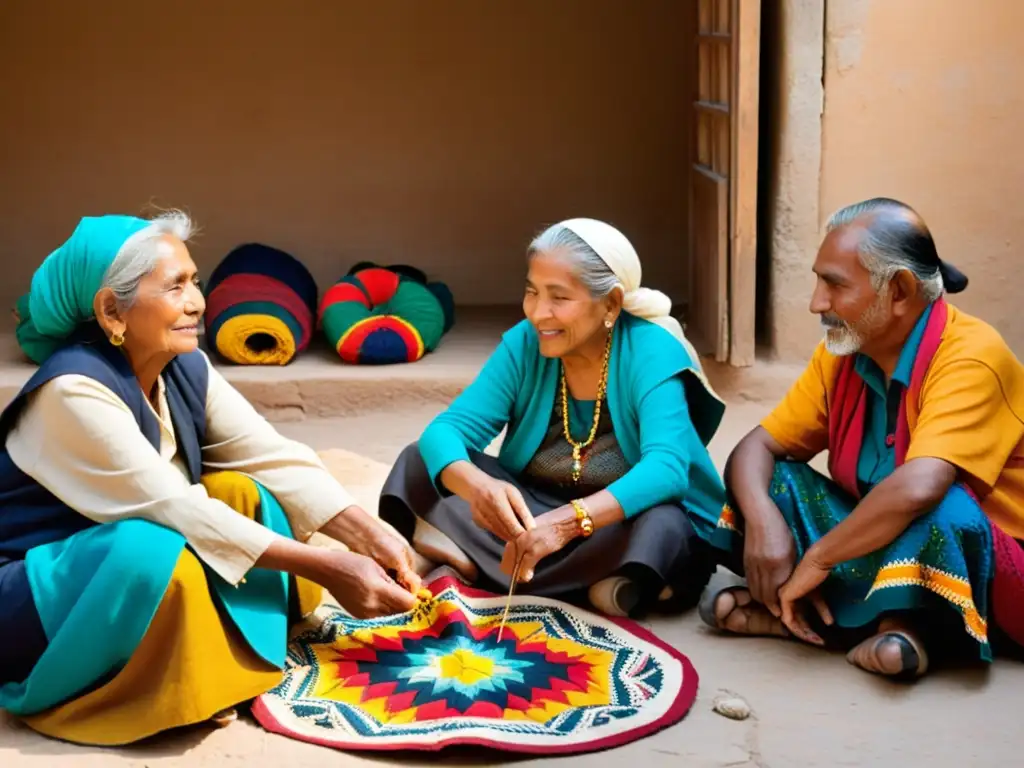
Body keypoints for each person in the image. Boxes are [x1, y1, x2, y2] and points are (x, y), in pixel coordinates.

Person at [0, 212, 421, 745]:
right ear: (112, 310)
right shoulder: (69, 392)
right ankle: (151, 686)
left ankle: (224, 650)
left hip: (106, 562)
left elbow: (270, 454)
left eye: (194, 281)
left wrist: (367, 533)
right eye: (175, 286)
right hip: (37, 598)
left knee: (244, 492)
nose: (197, 302)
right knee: (150, 547)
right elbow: (175, 508)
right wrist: (333, 565)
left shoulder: (182, 364)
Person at [701, 197, 1024, 678]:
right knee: (771, 485)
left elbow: (919, 488)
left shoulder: (972, 355)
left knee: (944, 506)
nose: (816, 303)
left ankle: (893, 625)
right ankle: (871, 627)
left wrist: (819, 558)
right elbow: (758, 446)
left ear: (898, 290)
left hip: (987, 562)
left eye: (834, 284)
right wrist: (766, 524)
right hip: (877, 536)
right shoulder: (842, 350)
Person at [379, 218, 727, 617]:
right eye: (532, 292)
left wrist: (567, 524)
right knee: (421, 459)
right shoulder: (526, 342)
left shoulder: (652, 350)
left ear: (610, 303)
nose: (539, 313)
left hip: (613, 519)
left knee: (665, 526)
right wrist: (479, 489)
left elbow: (666, 469)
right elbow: (448, 429)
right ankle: (600, 587)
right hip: (534, 513)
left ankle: (472, 557)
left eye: (558, 298)